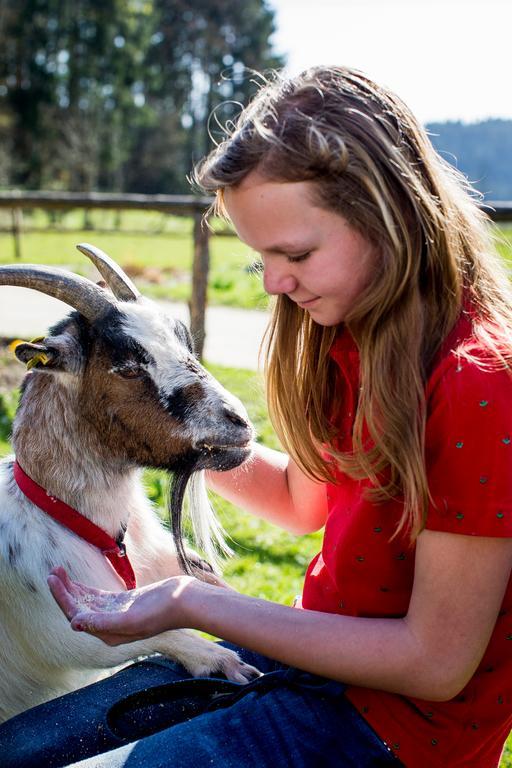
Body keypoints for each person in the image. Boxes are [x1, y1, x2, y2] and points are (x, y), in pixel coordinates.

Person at [2, 65, 512, 768]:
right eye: (258, 260)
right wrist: (153, 427)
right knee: (22, 749)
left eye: (294, 253)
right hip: (315, 662)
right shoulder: (357, 341)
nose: (274, 281)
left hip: (392, 732)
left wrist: (190, 601)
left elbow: (434, 664)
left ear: (388, 214)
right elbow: (303, 501)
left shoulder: (479, 386)